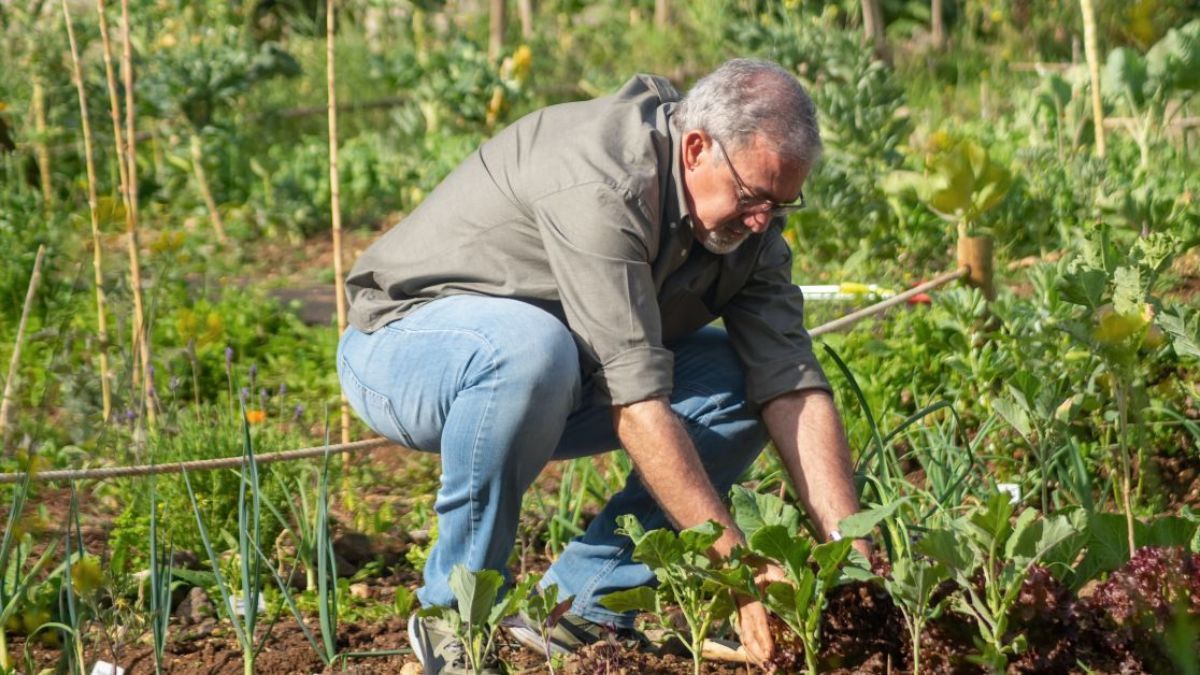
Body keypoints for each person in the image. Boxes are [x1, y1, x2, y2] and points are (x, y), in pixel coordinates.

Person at [337, 58, 870, 674]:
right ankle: (456, 615)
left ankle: (581, 606)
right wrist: (740, 571)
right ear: (695, 149)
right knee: (532, 348)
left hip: (555, 375)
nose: (761, 222)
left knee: (737, 382)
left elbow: (793, 387)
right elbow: (636, 403)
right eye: (752, 197)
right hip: (407, 349)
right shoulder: (605, 180)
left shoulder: (751, 233)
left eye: (780, 206)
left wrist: (852, 560)